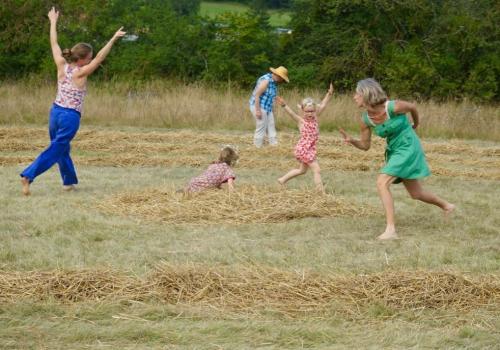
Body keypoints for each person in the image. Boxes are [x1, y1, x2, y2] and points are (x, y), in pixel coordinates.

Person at [19, 7, 125, 196]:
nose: (91, 60)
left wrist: (53, 22)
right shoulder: (81, 73)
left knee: (62, 148)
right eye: (89, 58)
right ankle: (28, 175)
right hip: (69, 117)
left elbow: (54, 44)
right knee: (57, 148)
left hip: (55, 113)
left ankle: (68, 182)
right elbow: (101, 56)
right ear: (84, 59)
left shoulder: (61, 64)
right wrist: (113, 39)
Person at [340, 78, 455, 240]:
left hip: (408, 146)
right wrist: (352, 141)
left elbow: (413, 107)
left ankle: (391, 230)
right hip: (394, 150)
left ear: (366, 93)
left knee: (382, 182)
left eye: (356, 93)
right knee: (416, 193)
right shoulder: (365, 120)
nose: (354, 97)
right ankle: (447, 206)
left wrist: (415, 124)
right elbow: (365, 146)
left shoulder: (393, 107)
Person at [276, 83, 334, 193]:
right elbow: (291, 113)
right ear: (303, 111)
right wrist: (284, 105)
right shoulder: (301, 121)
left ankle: (282, 180)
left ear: (315, 110)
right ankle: (320, 191)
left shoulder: (315, 118)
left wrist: (329, 94)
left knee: (302, 170)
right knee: (317, 169)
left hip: (310, 149)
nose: (310, 114)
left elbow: (323, 105)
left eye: (312, 111)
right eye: (307, 111)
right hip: (304, 149)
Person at [249, 66, 289, 147]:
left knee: (271, 124)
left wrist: (278, 99)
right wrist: (257, 110)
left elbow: (271, 95)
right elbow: (257, 95)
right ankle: (257, 147)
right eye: (282, 79)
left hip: (267, 107)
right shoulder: (266, 80)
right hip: (258, 106)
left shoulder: (274, 83)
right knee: (261, 126)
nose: (282, 81)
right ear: (278, 75)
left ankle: (274, 146)